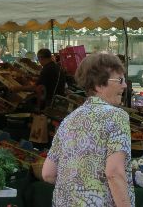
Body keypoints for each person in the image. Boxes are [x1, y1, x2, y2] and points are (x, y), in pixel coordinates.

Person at [41, 53, 134, 206]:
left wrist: (80, 186)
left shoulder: (69, 120)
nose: (124, 85)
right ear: (99, 85)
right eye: (119, 80)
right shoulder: (116, 116)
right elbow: (114, 173)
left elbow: (48, 174)